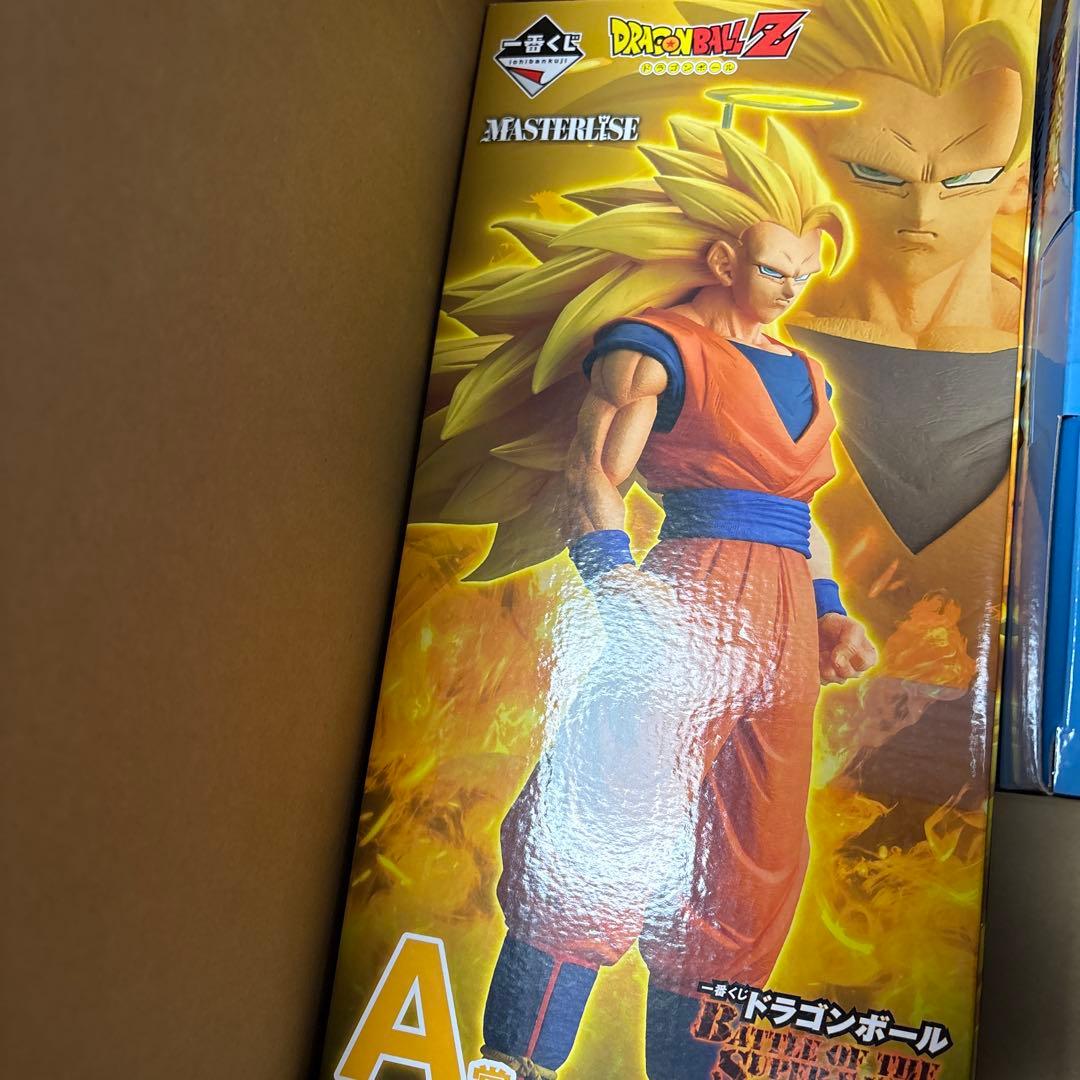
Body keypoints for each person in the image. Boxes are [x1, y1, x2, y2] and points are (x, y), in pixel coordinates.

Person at [417, 119, 876, 1078]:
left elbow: (798, 513)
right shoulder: (654, 347)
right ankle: (517, 1062)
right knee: (603, 816)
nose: (791, 289)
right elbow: (591, 472)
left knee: (753, 863)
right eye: (774, 270)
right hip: (688, 596)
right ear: (723, 259)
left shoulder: (808, 375)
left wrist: (831, 609)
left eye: (803, 273)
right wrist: (613, 582)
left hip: (787, 626)